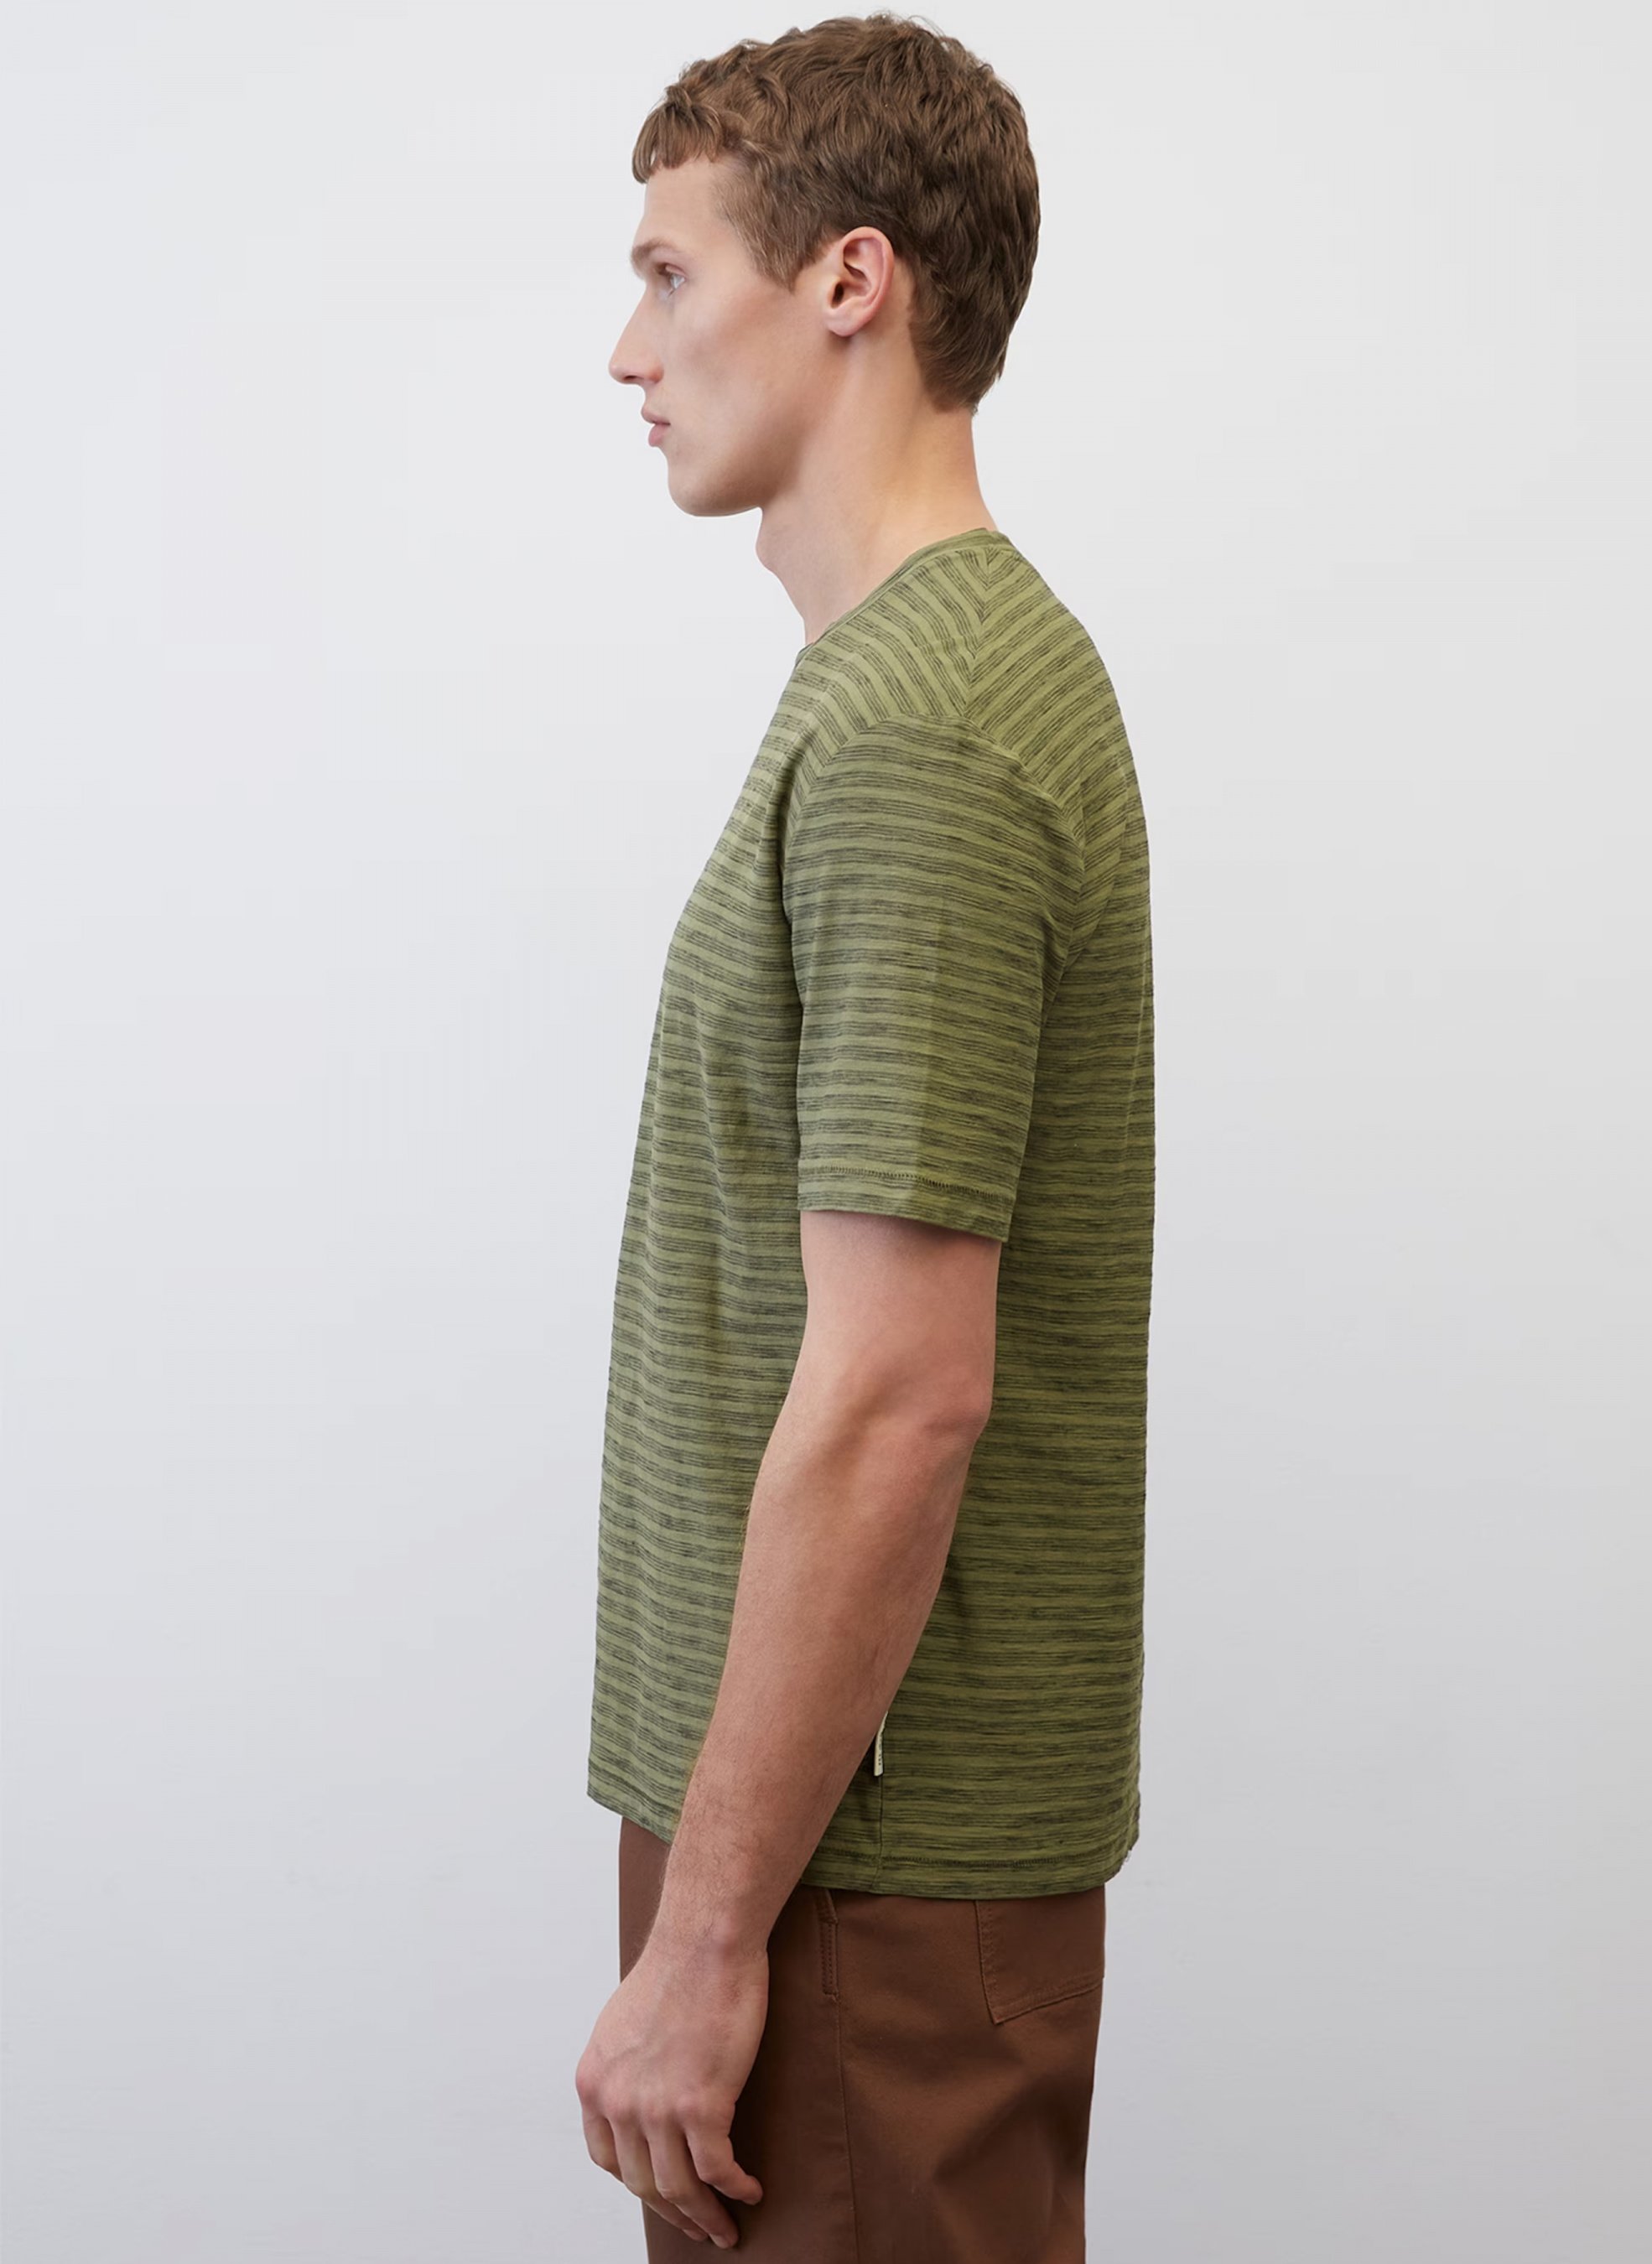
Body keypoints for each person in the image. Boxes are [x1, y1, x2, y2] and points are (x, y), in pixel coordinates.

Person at [576, 14, 1155, 2257]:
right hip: (835, 1839)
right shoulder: (917, 679)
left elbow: (903, 1392)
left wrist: (710, 1936)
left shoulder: (925, 729)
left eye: (668, 274)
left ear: (847, 281)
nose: (627, 351)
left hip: (853, 1880)